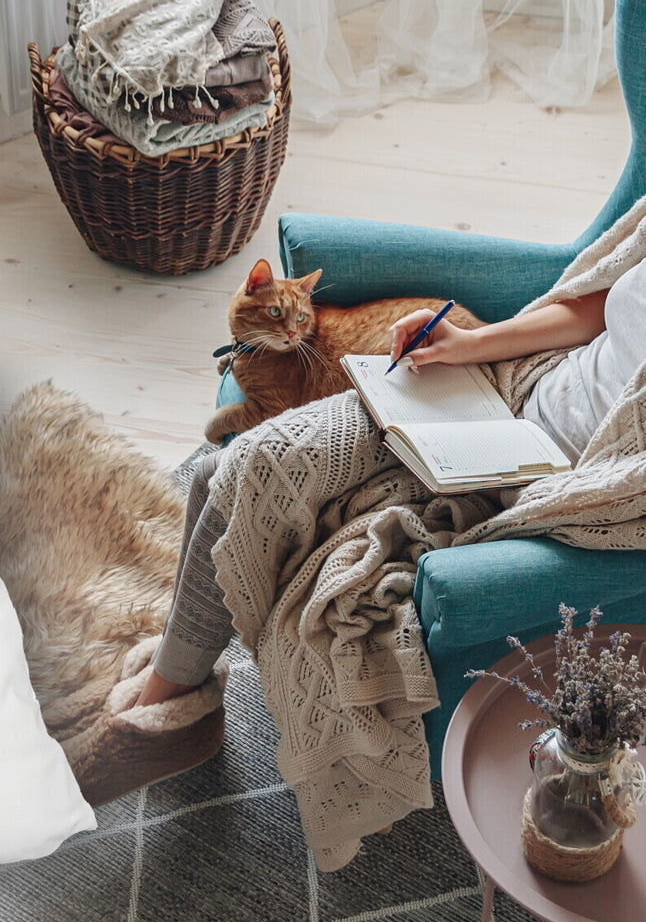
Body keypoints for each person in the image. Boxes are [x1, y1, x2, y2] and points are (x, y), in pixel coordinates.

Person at [131, 258, 646, 725]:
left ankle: (166, 704)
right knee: (218, 474)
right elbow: (591, 309)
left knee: (254, 484)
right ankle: (177, 670)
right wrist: (467, 345)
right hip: (501, 382)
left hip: (566, 478)